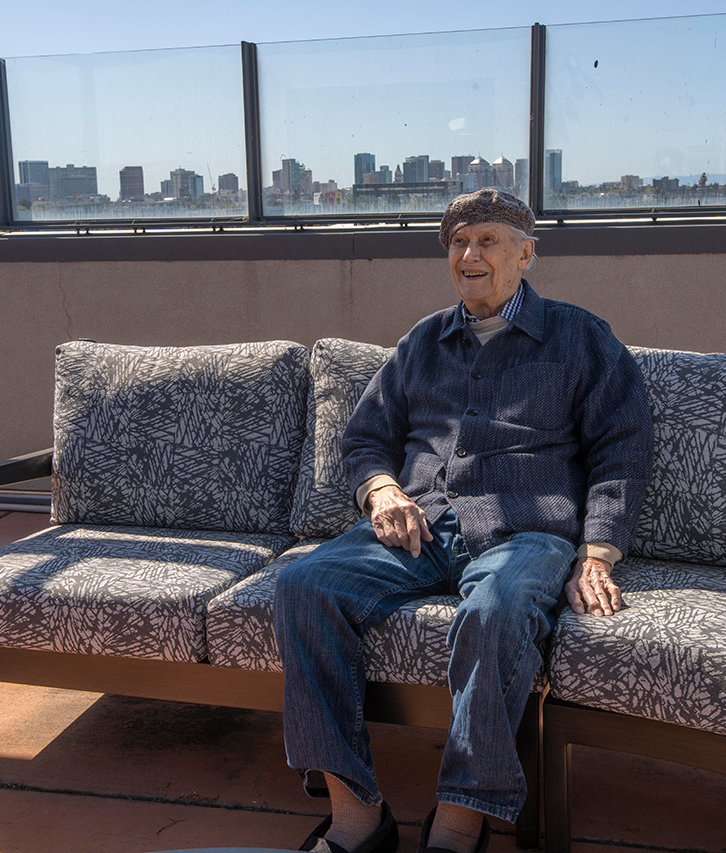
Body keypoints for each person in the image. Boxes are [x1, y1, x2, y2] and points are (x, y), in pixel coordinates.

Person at [274, 188, 653, 853]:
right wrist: (384, 492)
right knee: (303, 587)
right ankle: (356, 815)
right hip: (419, 526)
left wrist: (597, 553)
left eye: (487, 240)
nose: (469, 254)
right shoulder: (423, 341)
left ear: (526, 253)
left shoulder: (581, 337)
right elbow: (365, 438)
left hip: (527, 531)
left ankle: (459, 821)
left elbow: (622, 447)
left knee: (498, 612)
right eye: (457, 242)